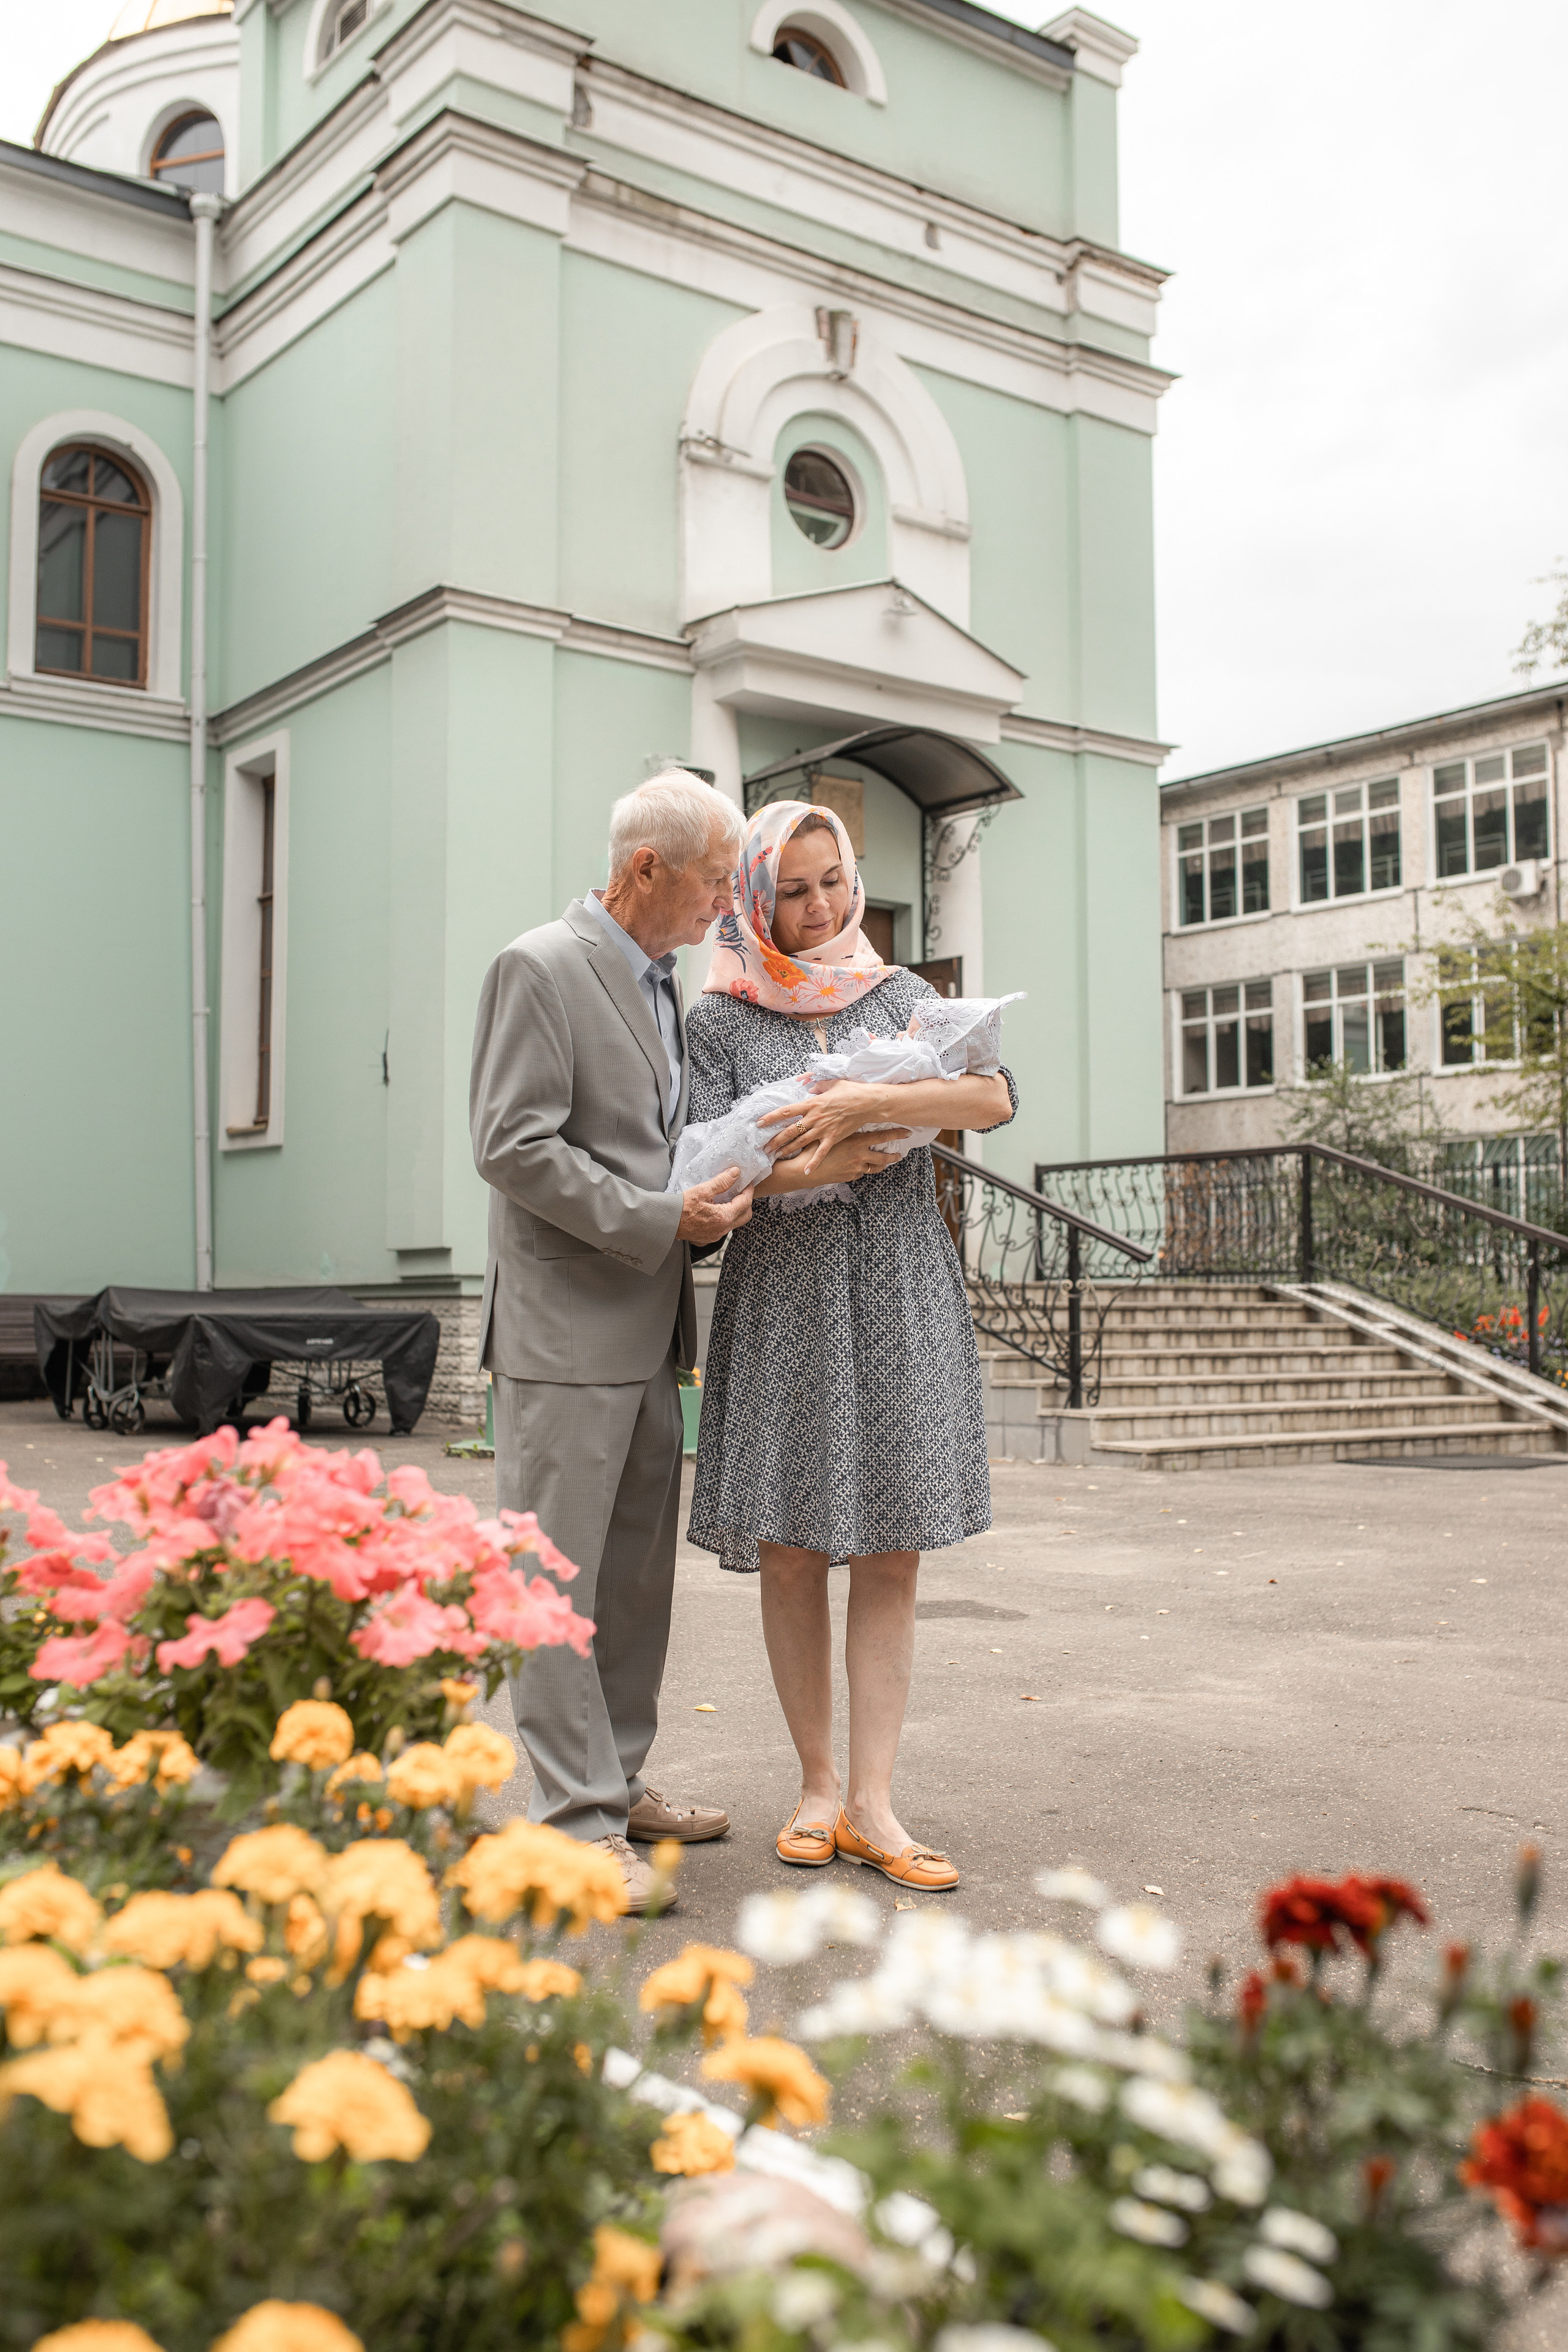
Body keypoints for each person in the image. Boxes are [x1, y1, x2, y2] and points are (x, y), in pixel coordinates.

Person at [685, 799, 1016, 1890]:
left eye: (832, 880)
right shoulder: (719, 1020)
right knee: (791, 1545)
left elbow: (993, 1094)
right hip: (785, 1292)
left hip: (898, 1278)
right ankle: (818, 1786)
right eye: (793, 889)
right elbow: (707, 1166)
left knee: (890, 1546)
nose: (820, 906)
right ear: (755, 897)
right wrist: (818, 1158)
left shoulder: (902, 992)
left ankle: (875, 1803)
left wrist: (869, 1095)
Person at [470, 771, 753, 1913]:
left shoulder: (662, 982)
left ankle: (617, 1785)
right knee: (554, 1585)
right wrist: (659, 1218)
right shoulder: (539, 966)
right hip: (562, 1334)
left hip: (649, 1324)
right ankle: (573, 1821)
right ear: (646, 868)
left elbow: (644, 1140)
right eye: (716, 881)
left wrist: (716, 1185)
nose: (726, 904)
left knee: (634, 1585)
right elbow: (511, 1145)